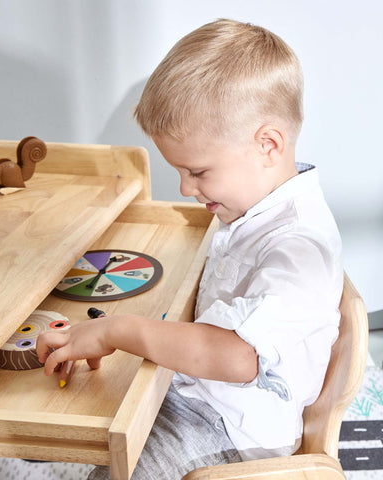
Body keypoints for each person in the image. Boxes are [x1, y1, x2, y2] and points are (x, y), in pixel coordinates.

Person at [37, 18, 343, 480]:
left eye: (198, 172)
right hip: (208, 399)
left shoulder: (299, 248)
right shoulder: (254, 206)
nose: (185, 188)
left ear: (268, 145)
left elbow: (238, 358)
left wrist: (116, 331)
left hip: (234, 432)